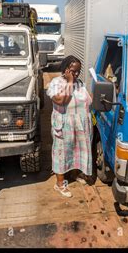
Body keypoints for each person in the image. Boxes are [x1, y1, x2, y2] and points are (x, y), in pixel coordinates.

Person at [46, 56, 93, 198]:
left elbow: (88, 99)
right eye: (73, 71)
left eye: (78, 71)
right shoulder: (56, 83)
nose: (76, 74)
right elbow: (61, 101)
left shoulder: (80, 84)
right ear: (65, 69)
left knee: (77, 151)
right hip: (64, 124)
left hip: (80, 125)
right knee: (62, 153)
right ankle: (59, 184)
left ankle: (74, 173)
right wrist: (70, 81)